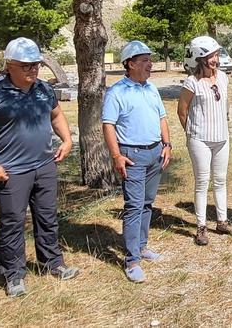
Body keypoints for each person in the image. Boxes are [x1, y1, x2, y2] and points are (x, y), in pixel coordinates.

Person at [0, 37, 79, 297]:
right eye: (26, 65)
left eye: (36, 65)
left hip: (45, 166)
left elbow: (56, 115)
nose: (33, 70)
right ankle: (14, 275)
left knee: (47, 218)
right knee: (13, 223)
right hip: (11, 172)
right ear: (10, 66)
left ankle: (53, 263)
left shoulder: (44, 89)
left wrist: (67, 139)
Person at [102, 40, 173, 283]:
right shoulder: (117, 92)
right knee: (133, 206)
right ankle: (132, 260)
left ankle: (142, 246)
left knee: (147, 203)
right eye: (144, 61)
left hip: (155, 153)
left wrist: (167, 145)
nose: (150, 64)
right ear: (130, 64)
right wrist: (116, 156)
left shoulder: (151, 89)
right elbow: (108, 125)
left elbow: (162, 118)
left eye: (150, 60)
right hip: (132, 156)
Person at [178, 35, 232, 246]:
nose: (215, 59)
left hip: (222, 138)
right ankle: (201, 226)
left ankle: (222, 221)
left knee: (221, 180)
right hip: (200, 140)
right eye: (211, 56)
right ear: (200, 59)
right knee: (202, 182)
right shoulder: (192, 82)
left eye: (216, 55)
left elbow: (225, 105)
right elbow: (182, 111)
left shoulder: (223, 77)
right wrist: (192, 134)